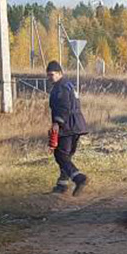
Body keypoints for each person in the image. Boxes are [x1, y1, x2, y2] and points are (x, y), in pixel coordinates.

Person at [47, 61, 90, 195]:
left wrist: (57, 123)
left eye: (52, 74)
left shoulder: (61, 88)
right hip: (76, 125)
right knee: (66, 156)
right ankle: (62, 185)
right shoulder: (68, 85)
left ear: (60, 73)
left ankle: (79, 178)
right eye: (48, 75)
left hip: (68, 127)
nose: (49, 77)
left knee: (60, 155)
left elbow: (64, 107)